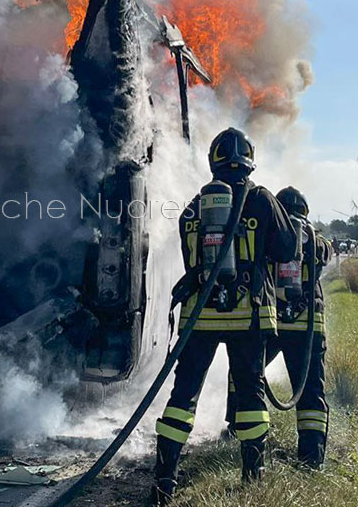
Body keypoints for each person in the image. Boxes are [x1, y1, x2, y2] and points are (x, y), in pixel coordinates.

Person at [152, 128, 298, 504]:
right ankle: (253, 477)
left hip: (201, 318)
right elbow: (286, 250)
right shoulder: (262, 199)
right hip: (248, 317)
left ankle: (163, 480)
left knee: (183, 395)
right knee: (250, 394)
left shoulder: (196, 206)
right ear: (250, 160)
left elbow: (190, 258)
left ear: (213, 160)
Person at [224, 186, 332, 468]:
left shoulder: (275, 236)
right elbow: (326, 253)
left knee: (245, 372)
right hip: (307, 328)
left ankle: (237, 429)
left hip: (271, 325)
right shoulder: (317, 243)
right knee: (310, 392)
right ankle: (311, 459)